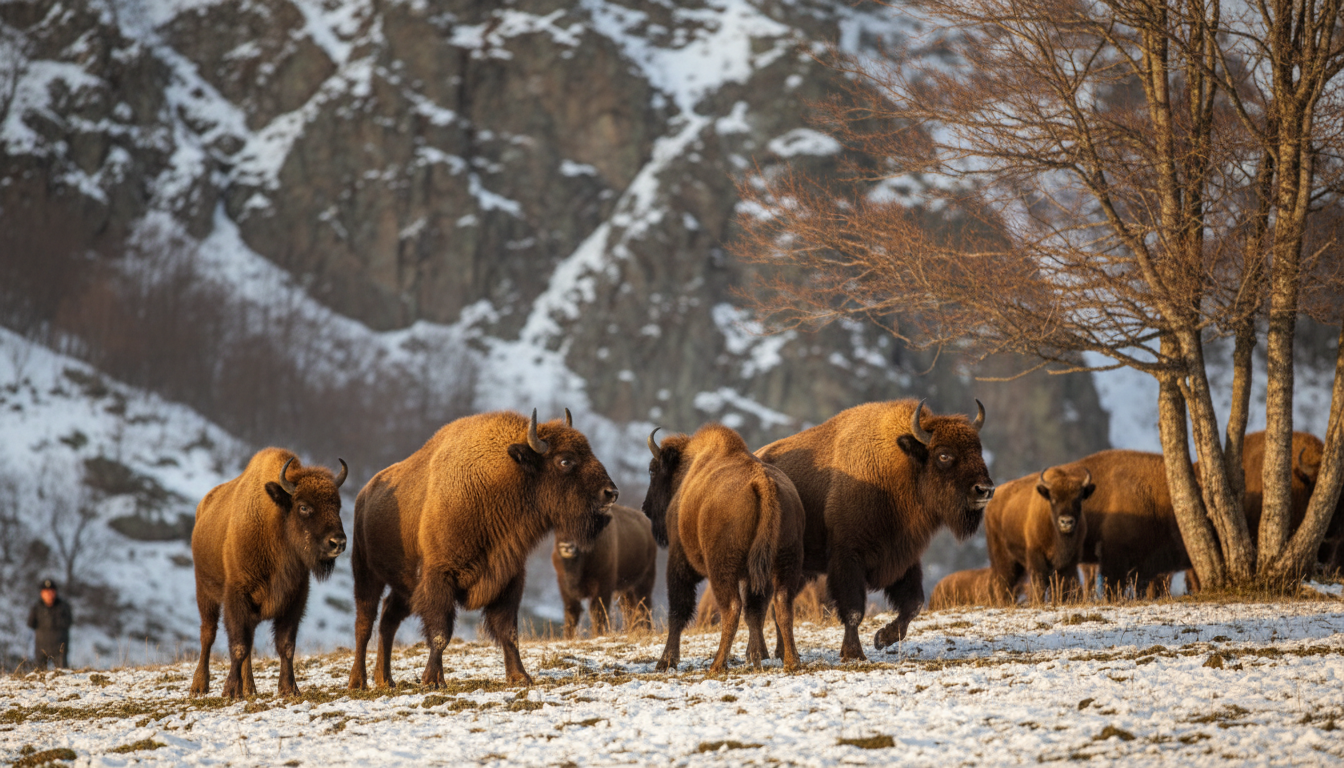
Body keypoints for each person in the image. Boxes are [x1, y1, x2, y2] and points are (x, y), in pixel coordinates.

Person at [27, 578, 73, 669]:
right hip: (41, 648)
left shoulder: (63, 606)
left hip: (59, 648)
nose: (49, 595)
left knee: (63, 675)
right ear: (41, 593)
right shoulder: (36, 607)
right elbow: (30, 623)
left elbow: (69, 622)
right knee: (39, 676)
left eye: (51, 591)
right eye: (46, 592)